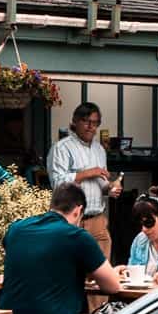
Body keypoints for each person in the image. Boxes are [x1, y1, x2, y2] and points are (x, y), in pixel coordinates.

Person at [0, 182, 122, 314]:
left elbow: (40, 261)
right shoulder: (77, 236)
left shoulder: (16, 229)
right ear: (78, 210)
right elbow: (112, 286)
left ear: (52, 205)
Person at [47, 102, 122, 261]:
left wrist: (111, 188)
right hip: (71, 222)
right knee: (72, 272)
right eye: (86, 121)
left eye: (95, 123)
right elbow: (58, 184)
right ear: (75, 121)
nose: (91, 127)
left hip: (97, 221)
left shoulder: (99, 149)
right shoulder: (61, 148)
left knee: (101, 277)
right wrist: (88, 172)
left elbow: (101, 184)